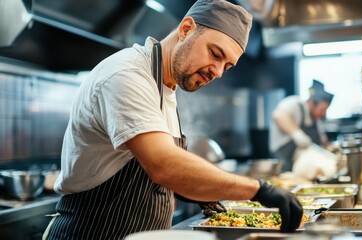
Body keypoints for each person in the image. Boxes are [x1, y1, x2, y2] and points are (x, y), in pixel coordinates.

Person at [43, 0, 302, 239]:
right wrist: (259, 190)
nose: (218, 72)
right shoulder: (127, 75)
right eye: (215, 53)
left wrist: (200, 189)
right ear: (186, 29)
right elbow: (163, 164)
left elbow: (150, 168)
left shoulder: (166, 86)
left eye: (228, 65)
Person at [270, 80, 334, 172]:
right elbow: (278, 115)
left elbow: (323, 142)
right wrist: (297, 134)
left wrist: (332, 151)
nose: (324, 114)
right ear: (312, 103)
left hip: (302, 170)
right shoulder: (295, 103)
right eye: (323, 109)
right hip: (284, 164)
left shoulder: (316, 120)